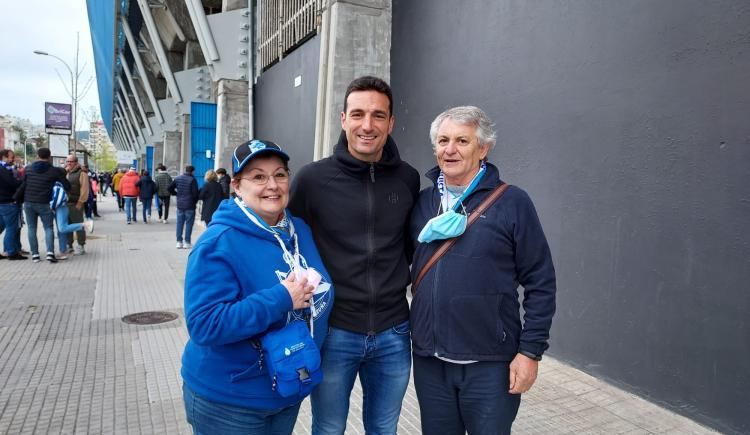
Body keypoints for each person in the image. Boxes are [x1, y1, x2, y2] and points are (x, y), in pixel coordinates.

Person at [409, 106, 557, 434]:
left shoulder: (513, 202)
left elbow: (540, 281)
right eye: (443, 140)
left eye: (462, 140)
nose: (450, 149)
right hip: (431, 364)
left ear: (483, 149)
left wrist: (530, 352)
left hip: (490, 366)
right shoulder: (423, 203)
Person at [289, 76, 420, 434]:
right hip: (335, 333)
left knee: (384, 428)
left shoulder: (407, 179)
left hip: (394, 332)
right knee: (328, 428)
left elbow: (409, 247)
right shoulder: (312, 180)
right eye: (358, 114)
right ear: (343, 118)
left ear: (391, 123)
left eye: (378, 116)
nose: (367, 125)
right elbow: (291, 249)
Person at [181, 139, 334, 435]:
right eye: (259, 177)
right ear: (237, 186)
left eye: (279, 174)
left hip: (287, 386)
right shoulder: (218, 242)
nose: (272, 185)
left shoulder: (298, 229)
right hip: (230, 402)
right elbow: (204, 324)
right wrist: (280, 298)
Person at [19, 147, 70, 263]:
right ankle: (50, 253)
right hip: (44, 203)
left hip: (28, 202)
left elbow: (23, 184)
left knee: (31, 228)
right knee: (48, 228)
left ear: (37, 156)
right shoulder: (54, 170)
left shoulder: (28, 169)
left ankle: (35, 255)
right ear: (49, 156)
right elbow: (67, 186)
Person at [50, 180, 93, 261]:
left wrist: (51, 206)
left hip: (61, 207)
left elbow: (84, 190)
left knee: (62, 228)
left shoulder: (57, 183)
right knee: (61, 230)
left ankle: (85, 225)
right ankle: (64, 251)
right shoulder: (59, 182)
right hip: (61, 207)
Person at [0, 149, 25, 260]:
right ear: (4, 157)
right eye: (11, 157)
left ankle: (10, 250)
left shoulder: (6, 168)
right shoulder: (3, 169)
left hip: (2, 202)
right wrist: (22, 180)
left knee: (2, 227)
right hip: (8, 202)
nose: (13, 159)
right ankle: (11, 252)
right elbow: (12, 183)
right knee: (12, 228)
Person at [169, 165, 199, 249]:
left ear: (185, 170)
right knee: (189, 224)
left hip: (180, 205)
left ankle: (179, 242)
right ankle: (187, 242)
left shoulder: (178, 178)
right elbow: (195, 194)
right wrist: (195, 202)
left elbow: (169, 188)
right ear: (192, 171)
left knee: (179, 223)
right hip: (190, 205)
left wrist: (176, 194)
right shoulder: (193, 180)